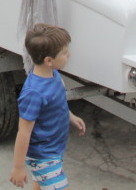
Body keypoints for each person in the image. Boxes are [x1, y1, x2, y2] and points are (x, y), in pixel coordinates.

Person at [10, 24, 86, 188]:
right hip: (42, 156)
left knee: (39, 183)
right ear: (49, 60)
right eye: (65, 53)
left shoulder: (54, 75)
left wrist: (70, 116)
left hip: (54, 148)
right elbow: (23, 132)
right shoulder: (34, 94)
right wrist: (18, 167)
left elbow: (57, 103)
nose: (69, 55)